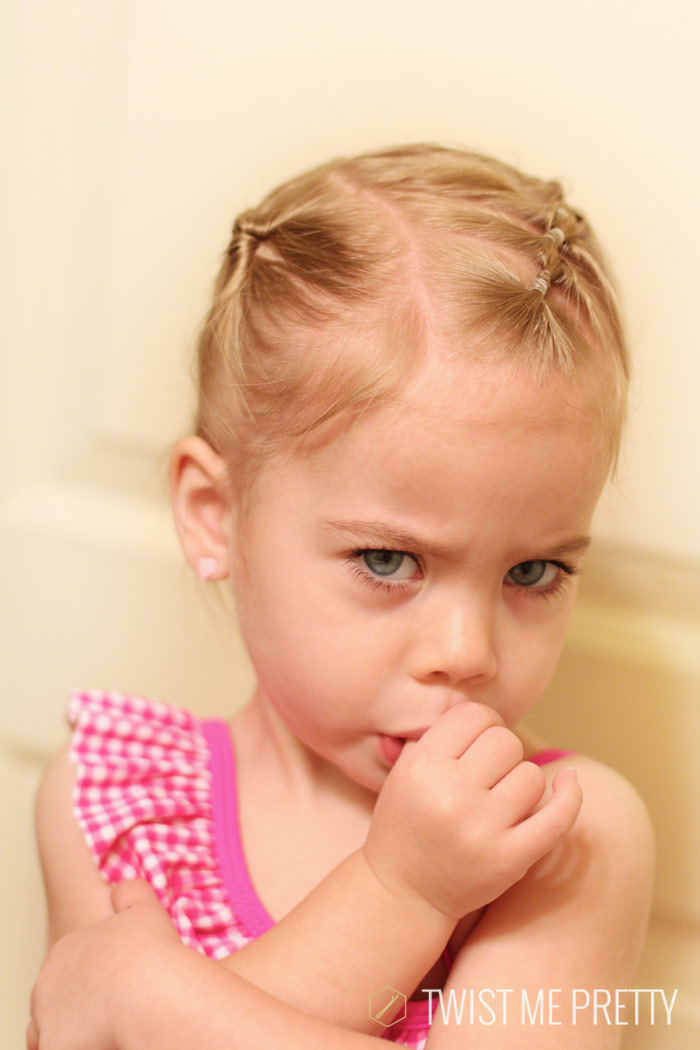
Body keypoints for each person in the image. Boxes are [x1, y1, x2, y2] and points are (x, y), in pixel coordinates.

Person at [29, 144, 654, 1050]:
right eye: (389, 561)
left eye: (533, 573)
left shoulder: (564, 837)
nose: (468, 651)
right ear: (216, 516)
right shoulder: (113, 803)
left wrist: (148, 1002)